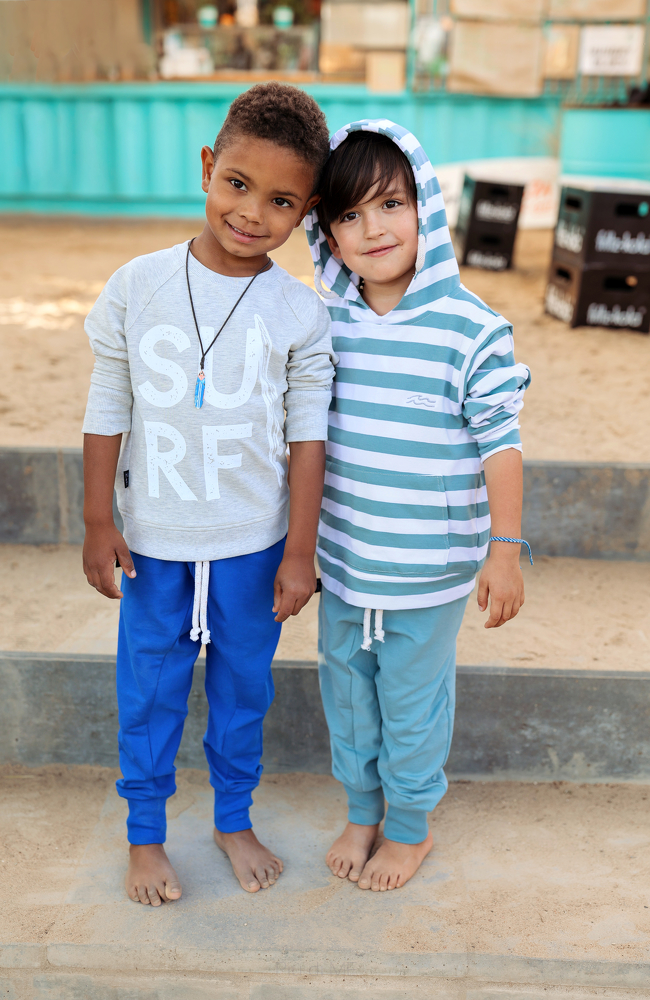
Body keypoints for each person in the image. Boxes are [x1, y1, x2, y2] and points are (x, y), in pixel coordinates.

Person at [81, 83, 335, 906]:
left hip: (253, 546)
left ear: (306, 210)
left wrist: (299, 552)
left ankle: (233, 819)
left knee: (242, 695)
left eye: (282, 201)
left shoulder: (299, 312)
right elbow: (108, 400)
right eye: (237, 183)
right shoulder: (137, 284)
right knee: (148, 693)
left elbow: (307, 438)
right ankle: (144, 836)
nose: (252, 212)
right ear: (206, 168)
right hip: (155, 543)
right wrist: (97, 518)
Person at [305, 121, 531, 892]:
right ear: (327, 233)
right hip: (344, 566)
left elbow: (501, 443)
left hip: (429, 574)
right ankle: (361, 811)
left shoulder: (471, 329)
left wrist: (505, 549)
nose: (373, 229)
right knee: (347, 700)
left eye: (391, 204)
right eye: (349, 214)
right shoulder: (326, 325)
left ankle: (408, 827)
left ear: (425, 207)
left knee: (410, 707)